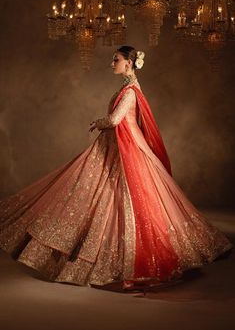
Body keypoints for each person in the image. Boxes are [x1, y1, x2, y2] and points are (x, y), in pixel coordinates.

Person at [0, 45, 233, 292]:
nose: (112, 64)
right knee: (104, 196)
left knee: (128, 200)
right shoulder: (128, 87)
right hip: (117, 147)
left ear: (129, 63)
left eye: (116, 60)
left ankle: (131, 258)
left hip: (128, 149)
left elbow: (114, 120)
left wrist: (98, 123)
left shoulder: (131, 91)